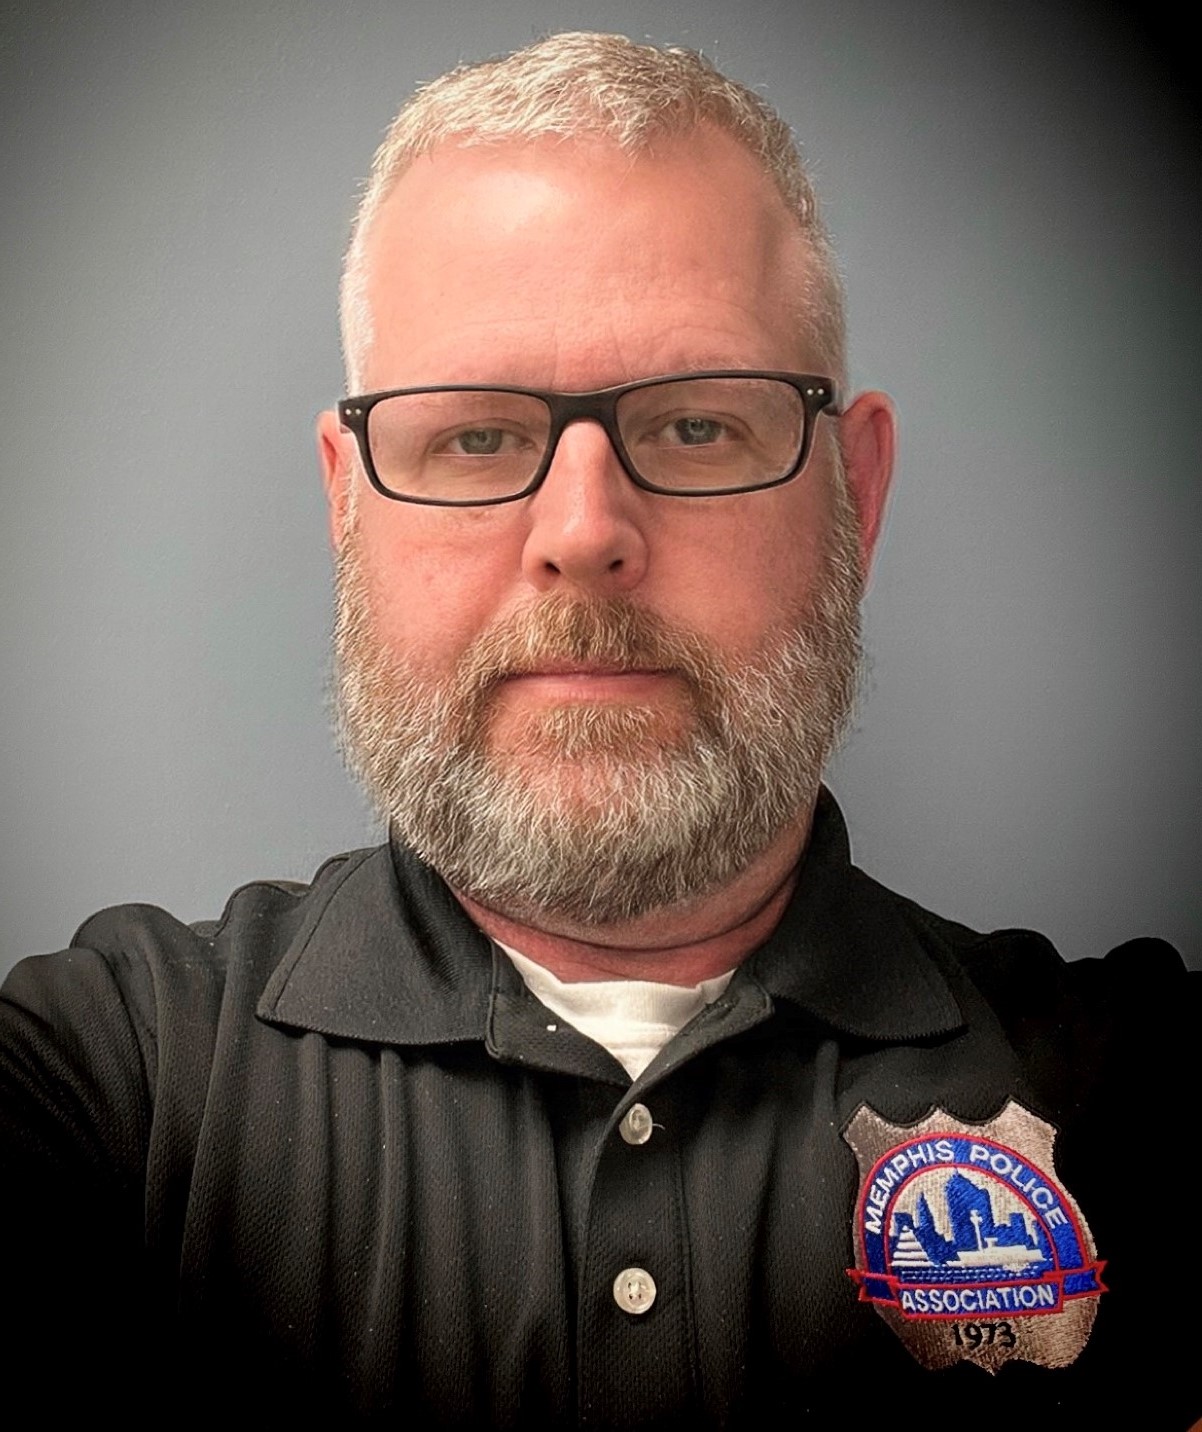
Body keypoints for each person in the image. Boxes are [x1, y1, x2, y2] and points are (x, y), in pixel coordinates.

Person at [1, 32, 1195, 1430]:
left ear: (855, 497)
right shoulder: (105, 1080)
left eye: (694, 428)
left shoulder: (1140, 1090)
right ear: (346, 505)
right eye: (476, 438)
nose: (583, 532)